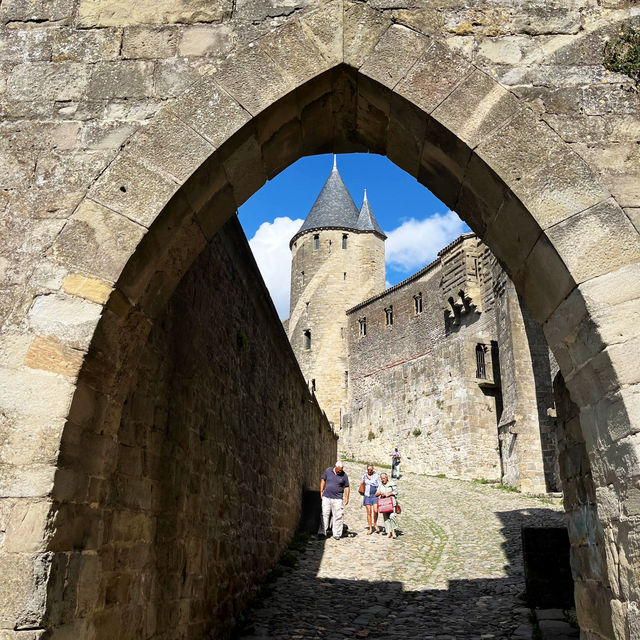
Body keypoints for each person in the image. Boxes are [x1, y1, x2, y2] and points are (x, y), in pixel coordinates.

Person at [318, 461, 350, 540]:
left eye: (341, 470)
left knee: (338, 515)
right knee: (324, 514)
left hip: (337, 498)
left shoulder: (344, 475)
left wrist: (347, 497)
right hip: (327, 497)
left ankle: (337, 533)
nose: (340, 471)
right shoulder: (328, 471)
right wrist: (321, 491)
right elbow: (323, 480)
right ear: (335, 467)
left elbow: (347, 487)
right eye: (339, 470)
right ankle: (322, 532)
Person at [376, 472, 398, 539]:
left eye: (384, 478)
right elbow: (376, 494)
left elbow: (396, 492)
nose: (382, 480)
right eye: (381, 479)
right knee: (386, 518)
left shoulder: (392, 484)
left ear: (386, 478)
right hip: (384, 504)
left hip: (391, 503)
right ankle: (388, 532)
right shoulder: (380, 484)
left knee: (392, 516)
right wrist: (380, 493)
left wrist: (390, 493)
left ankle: (393, 531)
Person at [361, 464, 381, 534]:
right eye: (368, 470)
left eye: (371, 470)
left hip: (374, 495)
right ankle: (370, 528)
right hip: (367, 495)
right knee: (369, 512)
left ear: (373, 470)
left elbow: (379, 485)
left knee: (375, 510)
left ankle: (375, 524)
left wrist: (379, 493)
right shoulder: (364, 475)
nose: (369, 471)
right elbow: (361, 484)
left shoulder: (376, 476)